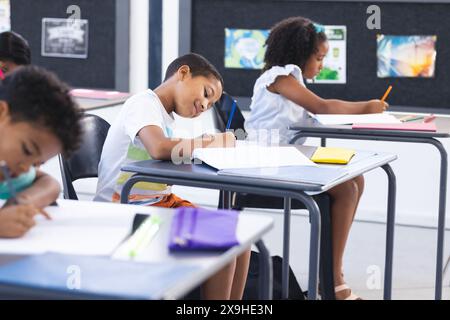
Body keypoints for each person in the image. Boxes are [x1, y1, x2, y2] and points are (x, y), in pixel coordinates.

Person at [245, 17, 389, 300]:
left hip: (285, 156)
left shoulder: (292, 81)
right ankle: (333, 280)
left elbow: (317, 114)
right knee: (346, 187)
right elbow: (322, 106)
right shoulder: (280, 77)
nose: (322, 64)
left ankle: (331, 275)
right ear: (300, 54)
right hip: (264, 163)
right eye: (319, 57)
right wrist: (368, 107)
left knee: (355, 179)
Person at [95, 53, 250, 300]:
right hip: (125, 209)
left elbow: (164, 158)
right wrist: (209, 142)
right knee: (222, 239)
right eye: (207, 94)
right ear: (184, 73)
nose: (204, 107)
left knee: (243, 236)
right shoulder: (143, 104)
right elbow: (159, 148)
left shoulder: (163, 118)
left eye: (210, 106)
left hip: (157, 204)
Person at [0, 66, 82, 238]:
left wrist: (23, 202)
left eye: (37, 163)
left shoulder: (11, 169)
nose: (25, 168)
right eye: (27, 150)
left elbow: (49, 183)